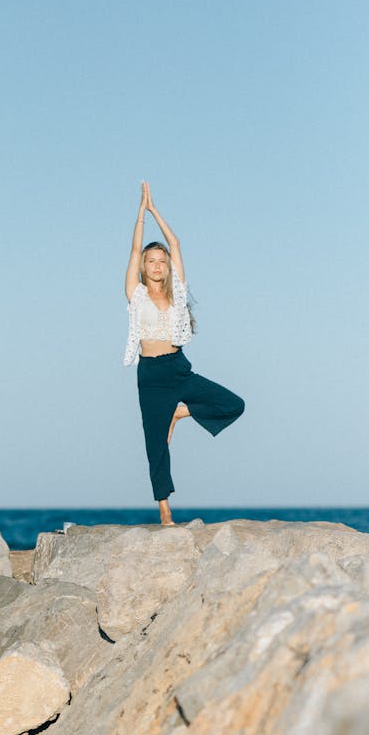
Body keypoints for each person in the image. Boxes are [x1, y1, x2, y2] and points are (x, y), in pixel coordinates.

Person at [124, 182, 245, 526]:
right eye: (152, 261)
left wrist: (155, 209)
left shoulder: (178, 292)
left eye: (162, 261)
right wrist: (140, 214)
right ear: (145, 267)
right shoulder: (136, 295)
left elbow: (175, 243)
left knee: (233, 404)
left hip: (179, 370)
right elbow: (133, 250)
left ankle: (180, 413)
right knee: (156, 448)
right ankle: (165, 510)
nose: (157, 264)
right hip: (150, 377)